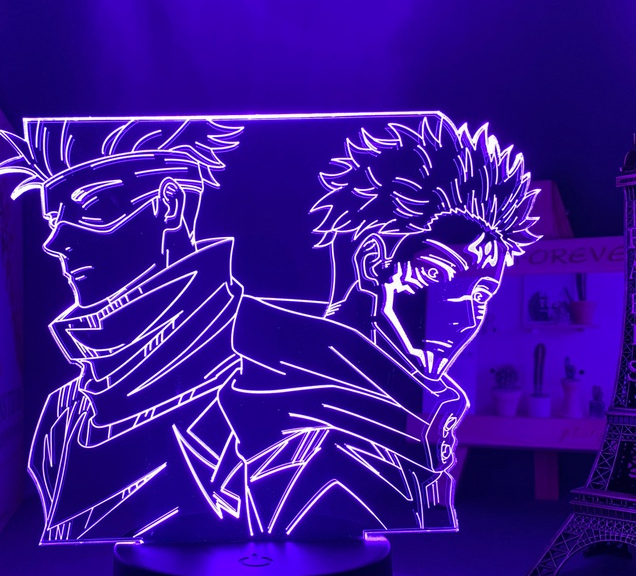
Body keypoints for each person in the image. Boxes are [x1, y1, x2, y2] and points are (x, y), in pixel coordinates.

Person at [217, 115, 539, 537]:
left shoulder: (416, 410)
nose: (462, 319)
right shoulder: (310, 404)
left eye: (480, 296)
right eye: (437, 275)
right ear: (373, 263)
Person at [0, 118, 249, 542]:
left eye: (93, 208)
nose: (56, 243)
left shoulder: (284, 371)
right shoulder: (62, 416)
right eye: (56, 218)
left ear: (169, 204)